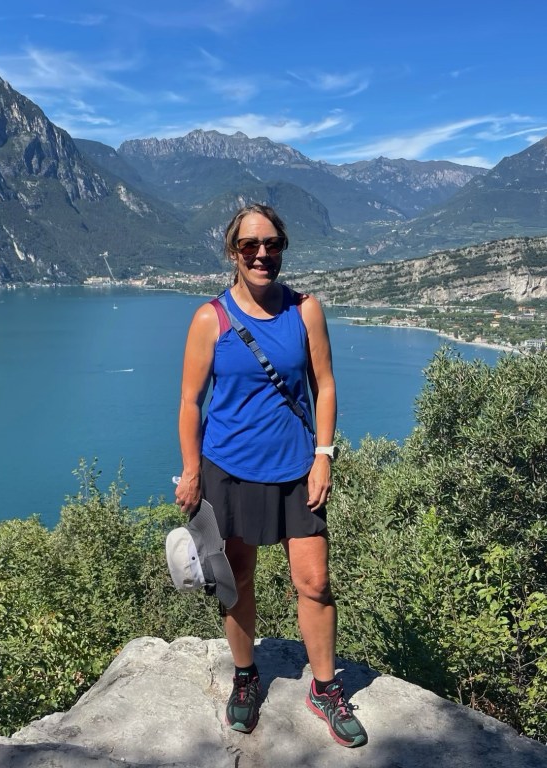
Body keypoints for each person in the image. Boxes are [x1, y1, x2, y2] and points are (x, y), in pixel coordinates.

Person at [175, 203, 367, 748]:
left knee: (315, 582)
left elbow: (325, 385)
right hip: (228, 471)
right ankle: (245, 676)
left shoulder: (305, 310)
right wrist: (191, 471)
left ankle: (325, 689)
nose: (262, 254)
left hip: (296, 471)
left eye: (272, 244)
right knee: (235, 581)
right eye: (249, 246)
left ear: (282, 247)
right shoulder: (210, 318)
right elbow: (190, 402)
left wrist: (324, 455)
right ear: (232, 252)